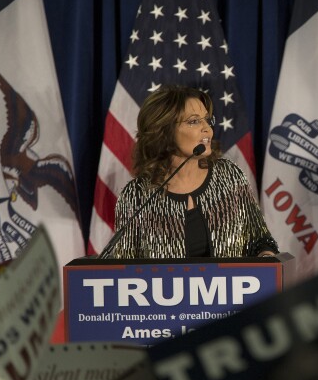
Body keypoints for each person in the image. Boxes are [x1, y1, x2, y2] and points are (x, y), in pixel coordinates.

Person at [110, 86, 279, 259]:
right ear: (164, 130)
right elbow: (123, 267)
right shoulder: (136, 195)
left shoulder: (229, 177)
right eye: (194, 121)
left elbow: (260, 240)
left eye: (207, 120)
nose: (208, 129)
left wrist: (266, 256)